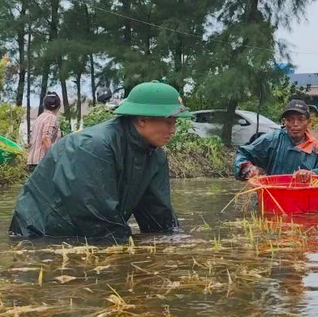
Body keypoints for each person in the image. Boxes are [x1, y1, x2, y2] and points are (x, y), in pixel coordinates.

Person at [10, 81, 190, 239]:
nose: (172, 130)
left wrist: (173, 243)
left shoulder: (155, 156)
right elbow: (95, 217)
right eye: (168, 122)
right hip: (39, 234)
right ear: (142, 120)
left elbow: (158, 214)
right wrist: (127, 252)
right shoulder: (94, 146)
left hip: (87, 231)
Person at [235, 99, 318, 182]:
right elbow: (243, 153)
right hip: (274, 195)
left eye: (301, 119)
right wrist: (248, 168)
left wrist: (311, 174)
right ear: (284, 122)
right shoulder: (272, 140)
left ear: (309, 122)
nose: (295, 124)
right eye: (290, 120)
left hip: (304, 199)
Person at [26, 91, 62, 172]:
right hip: (43, 162)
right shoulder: (51, 117)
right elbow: (46, 138)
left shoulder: (39, 118)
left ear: (44, 105)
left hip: (32, 161)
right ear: (59, 106)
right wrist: (53, 158)